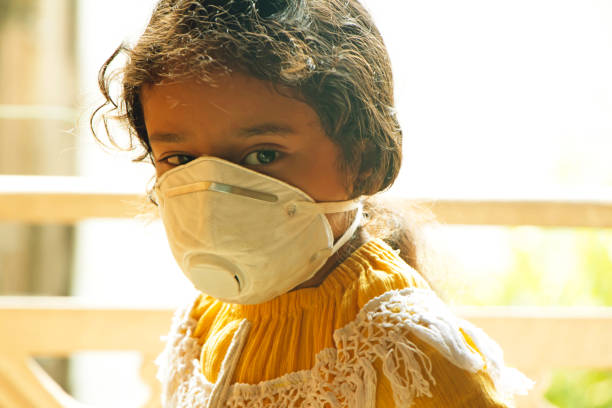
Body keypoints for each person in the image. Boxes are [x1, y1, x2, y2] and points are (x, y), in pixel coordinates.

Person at [93, 0, 534, 406]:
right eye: (182, 160)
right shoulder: (205, 321)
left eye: (263, 155)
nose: (215, 198)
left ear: (361, 160)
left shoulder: (404, 350)